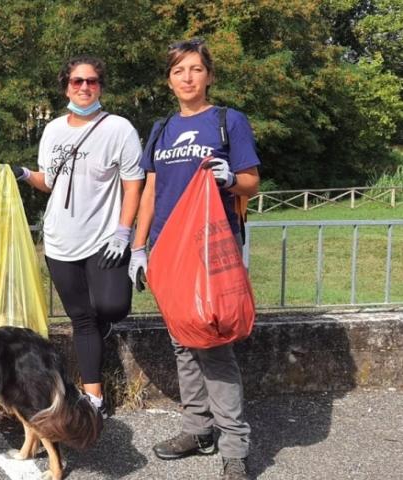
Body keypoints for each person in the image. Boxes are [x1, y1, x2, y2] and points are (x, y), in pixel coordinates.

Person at [133, 39, 261, 480]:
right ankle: (197, 430)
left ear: (208, 74)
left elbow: (251, 182)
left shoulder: (229, 121)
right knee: (182, 343)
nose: (187, 78)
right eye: (178, 71)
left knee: (214, 346)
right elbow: (150, 191)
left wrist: (231, 181)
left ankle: (235, 448)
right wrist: (137, 247)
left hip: (210, 249)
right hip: (168, 251)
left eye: (195, 69)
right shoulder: (161, 128)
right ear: (169, 80)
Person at [13, 56, 144, 419]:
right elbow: (49, 182)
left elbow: (134, 185)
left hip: (105, 238)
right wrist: (25, 174)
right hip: (60, 240)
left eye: (92, 81)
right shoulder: (53, 130)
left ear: (101, 86)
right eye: (76, 81)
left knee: (113, 307)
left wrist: (124, 232)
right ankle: (94, 398)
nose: (84, 87)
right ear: (66, 86)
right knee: (82, 319)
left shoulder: (119, 129)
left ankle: (92, 366)